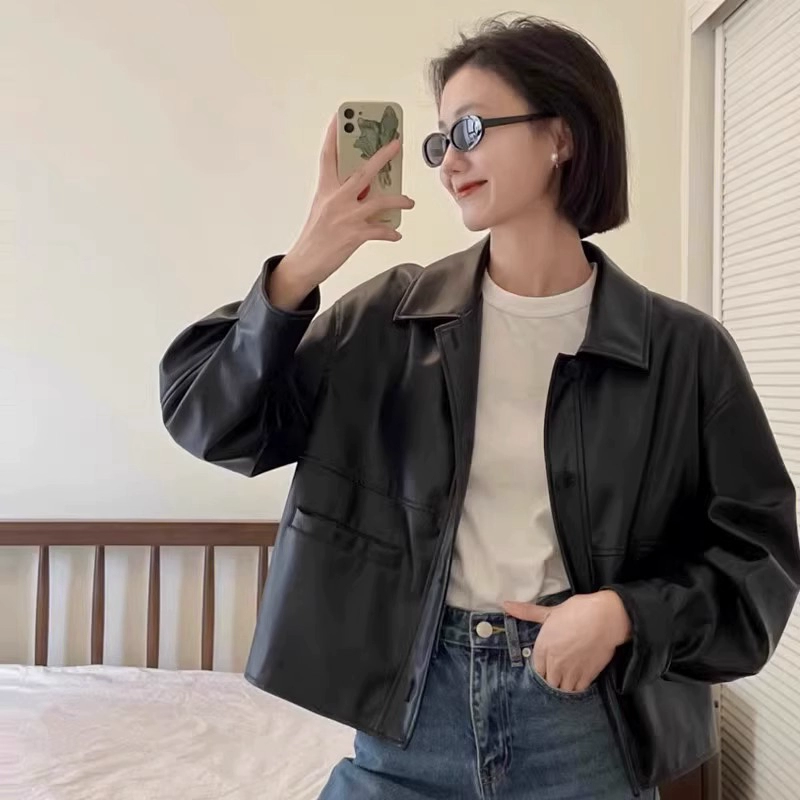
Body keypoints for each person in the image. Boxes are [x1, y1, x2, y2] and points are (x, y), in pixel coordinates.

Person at [159, 15, 800, 800]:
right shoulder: (390, 321)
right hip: (410, 722)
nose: (448, 162)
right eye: (439, 143)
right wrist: (301, 266)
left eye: (469, 129)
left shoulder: (683, 351)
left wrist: (624, 615)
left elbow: (760, 564)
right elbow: (210, 420)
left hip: (585, 725)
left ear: (561, 135)